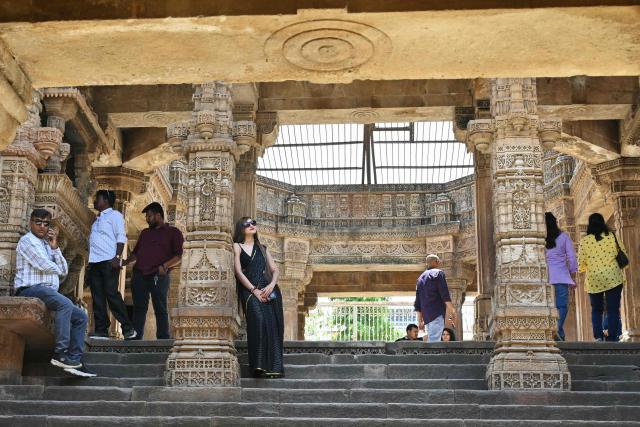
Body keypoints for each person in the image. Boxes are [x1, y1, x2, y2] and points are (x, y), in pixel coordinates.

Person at [14, 209, 96, 377]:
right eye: (38, 222)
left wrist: (55, 247)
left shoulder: (46, 244)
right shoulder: (27, 241)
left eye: (46, 224)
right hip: (31, 288)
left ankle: (75, 360)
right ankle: (60, 353)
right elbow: (44, 264)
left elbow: (64, 270)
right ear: (31, 223)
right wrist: (57, 268)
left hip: (47, 291)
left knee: (81, 317)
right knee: (65, 304)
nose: (42, 227)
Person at [233, 217, 284, 378]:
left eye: (253, 223)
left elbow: (274, 270)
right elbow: (238, 272)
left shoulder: (262, 248)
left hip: (267, 289)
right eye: (246, 224)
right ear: (241, 228)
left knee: (272, 325)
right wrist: (253, 290)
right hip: (249, 290)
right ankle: (258, 365)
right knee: (259, 321)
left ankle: (273, 367)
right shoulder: (237, 246)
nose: (251, 226)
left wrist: (270, 286)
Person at [124, 202, 184, 340]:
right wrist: (125, 262)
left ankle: (162, 338)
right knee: (139, 308)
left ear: (158, 216)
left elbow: (179, 255)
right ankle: (136, 336)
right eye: (146, 216)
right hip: (139, 274)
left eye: (149, 216)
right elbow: (136, 253)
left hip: (158, 274)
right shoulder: (145, 233)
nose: (147, 219)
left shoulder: (173, 232)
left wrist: (165, 266)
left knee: (160, 307)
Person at [87, 190, 136, 340]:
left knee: (111, 294)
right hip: (95, 262)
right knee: (97, 296)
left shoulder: (115, 215)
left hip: (109, 261)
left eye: (98, 199)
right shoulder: (96, 220)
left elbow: (121, 236)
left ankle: (127, 328)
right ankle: (101, 329)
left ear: (106, 200)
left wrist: (117, 257)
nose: (95, 202)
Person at [578, 213, 628, 342]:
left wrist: (590, 266)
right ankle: (612, 338)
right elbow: (623, 253)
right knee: (612, 309)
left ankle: (599, 336)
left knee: (596, 310)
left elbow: (581, 265)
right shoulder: (612, 236)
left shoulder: (585, 241)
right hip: (613, 277)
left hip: (594, 280)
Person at [544, 212, 578, 341]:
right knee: (562, 306)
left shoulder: (540, 239)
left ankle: (559, 334)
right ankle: (557, 329)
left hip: (544, 278)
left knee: (549, 307)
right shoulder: (564, 237)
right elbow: (572, 257)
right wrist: (572, 273)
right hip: (561, 276)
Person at [414, 254, 457, 343]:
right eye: (439, 262)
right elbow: (444, 294)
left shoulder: (420, 279)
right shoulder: (438, 273)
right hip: (436, 313)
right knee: (434, 343)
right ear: (437, 262)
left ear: (427, 264)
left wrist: (420, 321)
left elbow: (417, 303)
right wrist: (452, 311)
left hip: (427, 317)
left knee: (432, 339)